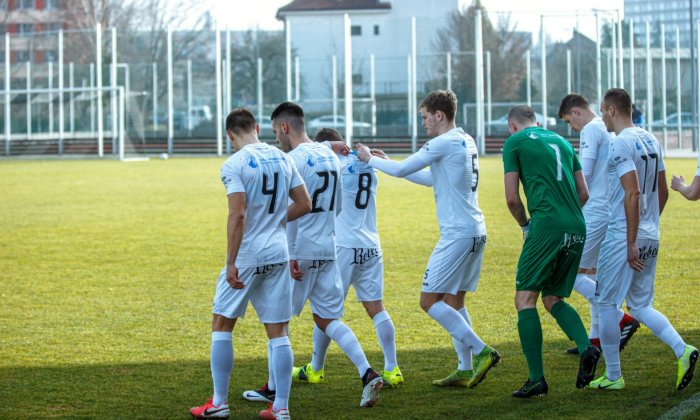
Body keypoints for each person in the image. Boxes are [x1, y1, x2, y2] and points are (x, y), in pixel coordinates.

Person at [356, 89, 500, 390]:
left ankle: (482, 350)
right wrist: (386, 162)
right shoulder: (465, 139)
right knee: (454, 299)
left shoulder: (442, 142)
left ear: (439, 115)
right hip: (476, 230)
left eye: (425, 117)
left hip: (458, 235)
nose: (423, 123)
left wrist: (370, 159)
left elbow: (400, 169)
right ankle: (464, 368)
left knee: (428, 301)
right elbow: (430, 178)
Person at [243, 102, 384, 408]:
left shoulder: (292, 159)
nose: (276, 138)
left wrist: (291, 252)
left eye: (275, 131)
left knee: (277, 320)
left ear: (284, 128)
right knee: (327, 318)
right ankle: (367, 372)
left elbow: (288, 208)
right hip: (329, 248)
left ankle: (272, 388)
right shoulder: (330, 156)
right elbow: (340, 207)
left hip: (299, 253)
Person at [189, 108, 312, 420]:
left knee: (222, 323)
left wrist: (231, 262)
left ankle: (218, 403)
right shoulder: (285, 159)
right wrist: (272, 223)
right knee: (278, 331)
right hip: (278, 253)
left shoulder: (235, 163)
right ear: (257, 127)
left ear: (230, 134)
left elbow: (238, 214)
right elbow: (305, 203)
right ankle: (281, 408)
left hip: (248, 256)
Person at [590, 88, 698, 391]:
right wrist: (649, 225)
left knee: (606, 302)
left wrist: (630, 240)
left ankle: (613, 376)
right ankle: (683, 350)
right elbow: (662, 191)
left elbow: (633, 192)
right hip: (650, 231)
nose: (602, 117)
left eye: (603, 111)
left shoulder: (620, 143)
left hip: (626, 235)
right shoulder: (651, 138)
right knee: (639, 306)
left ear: (612, 111)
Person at [503, 105, 600, 398]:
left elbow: (511, 199)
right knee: (553, 297)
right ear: (538, 122)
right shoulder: (563, 141)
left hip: (546, 226)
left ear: (513, 126)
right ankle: (587, 347)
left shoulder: (514, 142)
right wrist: (566, 218)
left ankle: (536, 379)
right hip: (577, 225)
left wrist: (525, 226)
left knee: (525, 299)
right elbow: (584, 193)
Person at [302, 127, 403, 387]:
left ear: (323, 144)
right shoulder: (368, 162)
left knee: (326, 312)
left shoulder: (331, 162)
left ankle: (315, 368)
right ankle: (392, 368)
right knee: (376, 308)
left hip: (343, 246)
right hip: (371, 245)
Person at [558, 94, 640, 355]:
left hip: (593, 212)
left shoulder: (591, 130)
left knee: (569, 273)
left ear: (576, 111)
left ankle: (619, 317)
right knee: (590, 274)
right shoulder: (606, 131)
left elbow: (586, 172)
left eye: (569, 121)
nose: (572, 127)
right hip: (607, 210)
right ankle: (596, 338)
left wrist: (567, 203)